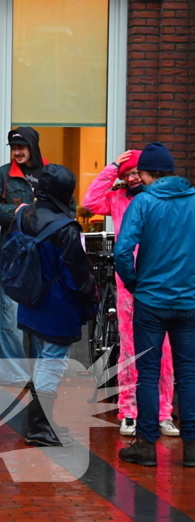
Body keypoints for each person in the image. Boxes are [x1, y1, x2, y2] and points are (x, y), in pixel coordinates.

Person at [82, 150, 178, 437]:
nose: (133, 178)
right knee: (129, 348)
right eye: (128, 174)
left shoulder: (159, 202)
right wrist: (112, 168)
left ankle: (163, 412)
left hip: (157, 281)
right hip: (127, 283)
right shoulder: (117, 198)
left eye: (137, 172)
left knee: (165, 350)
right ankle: (129, 411)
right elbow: (90, 202)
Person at [114, 143, 195, 468]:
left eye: (141, 173)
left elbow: (122, 252)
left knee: (147, 373)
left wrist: (135, 284)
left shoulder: (144, 202)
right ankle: (191, 448)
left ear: (148, 173)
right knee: (188, 374)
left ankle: (146, 445)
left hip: (150, 301)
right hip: (188, 301)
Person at [16, 164, 97, 447]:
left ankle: (42, 422)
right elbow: (80, 276)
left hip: (31, 301)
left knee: (42, 361)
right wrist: (91, 304)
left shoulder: (25, 215)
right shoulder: (65, 229)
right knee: (52, 364)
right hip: (58, 309)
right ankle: (38, 427)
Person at [0, 127, 47, 386]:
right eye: (13, 148)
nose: (17, 153)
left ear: (33, 146)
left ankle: (42, 373)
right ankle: (15, 376)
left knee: (42, 317)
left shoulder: (50, 174)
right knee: (10, 318)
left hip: (43, 258)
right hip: (13, 259)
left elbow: (67, 208)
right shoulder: (4, 175)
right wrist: (15, 211)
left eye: (22, 147)